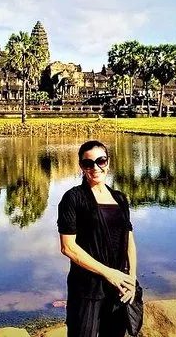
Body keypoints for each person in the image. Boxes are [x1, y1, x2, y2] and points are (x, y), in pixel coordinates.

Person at [57, 140, 138, 336]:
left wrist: (132, 279)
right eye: (88, 163)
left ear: (108, 162)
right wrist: (108, 273)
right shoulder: (73, 198)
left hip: (118, 288)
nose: (95, 167)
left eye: (100, 161)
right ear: (81, 166)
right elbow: (68, 247)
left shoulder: (120, 198)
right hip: (87, 289)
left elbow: (129, 241)